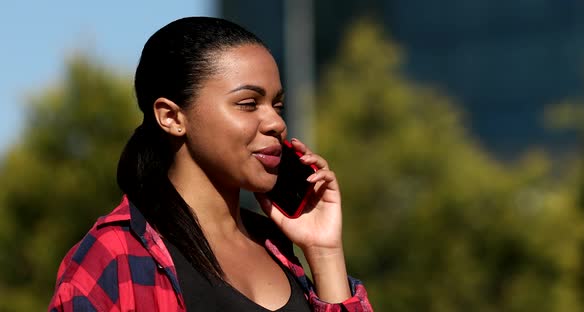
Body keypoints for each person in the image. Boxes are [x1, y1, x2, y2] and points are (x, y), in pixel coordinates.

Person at [48, 16, 373, 311]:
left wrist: (323, 250)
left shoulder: (277, 248)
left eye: (277, 105)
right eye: (248, 104)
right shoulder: (114, 257)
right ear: (172, 117)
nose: (276, 122)